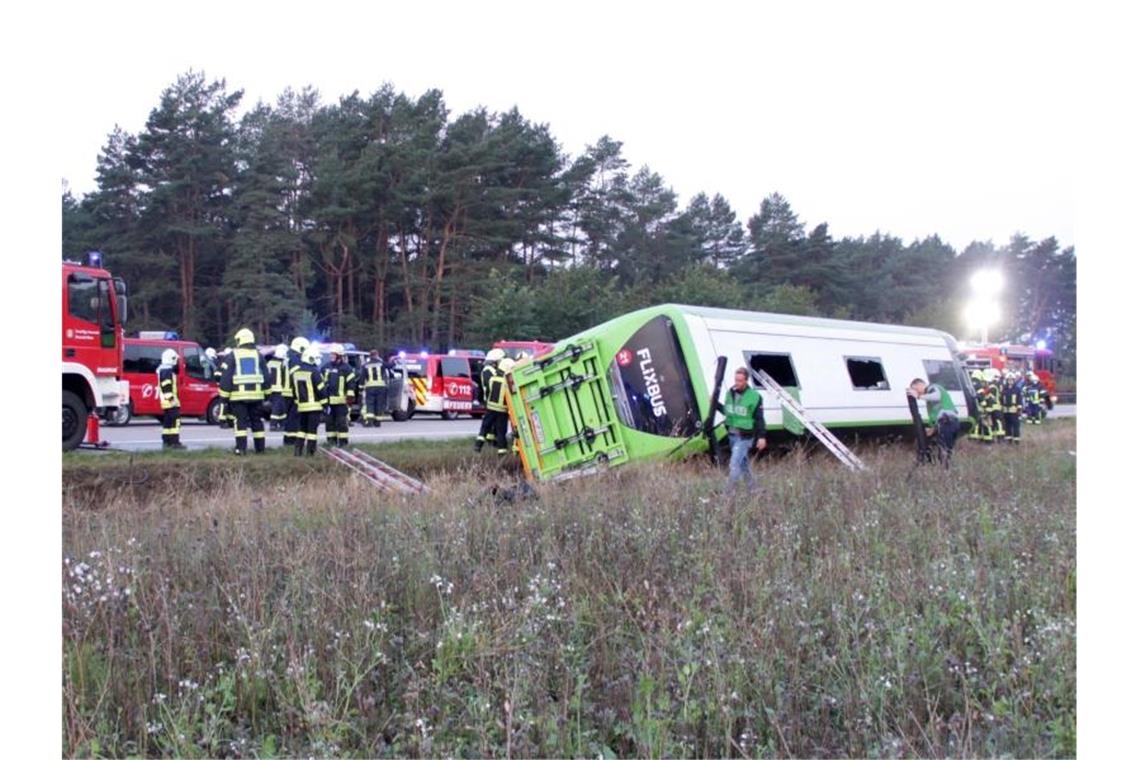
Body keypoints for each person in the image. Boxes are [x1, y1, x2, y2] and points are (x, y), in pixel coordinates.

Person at [219, 328, 270, 455]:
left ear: (239, 341)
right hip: (257, 396)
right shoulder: (259, 356)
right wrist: (267, 394)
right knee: (257, 422)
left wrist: (224, 397)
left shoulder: (233, 356)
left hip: (238, 397)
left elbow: (226, 377)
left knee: (240, 423)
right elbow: (266, 376)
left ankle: (241, 449)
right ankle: (260, 449)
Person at [716, 367, 767, 491]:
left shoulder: (754, 397)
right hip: (732, 435)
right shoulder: (730, 393)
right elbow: (727, 412)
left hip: (745, 436)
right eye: (736, 380)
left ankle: (727, 493)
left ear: (746, 381)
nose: (737, 383)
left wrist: (761, 437)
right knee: (743, 463)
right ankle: (753, 488)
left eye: (740, 380)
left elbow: (759, 419)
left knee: (734, 464)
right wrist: (715, 404)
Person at [908, 377, 961, 461]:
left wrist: (918, 396)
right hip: (947, 422)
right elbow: (937, 415)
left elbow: (937, 396)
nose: (917, 392)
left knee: (944, 450)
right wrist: (933, 428)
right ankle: (944, 469)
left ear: (919, 384)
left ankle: (945, 470)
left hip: (947, 421)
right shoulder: (929, 401)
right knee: (944, 449)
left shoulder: (932, 388)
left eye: (915, 389)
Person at [291, 346, 327, 456]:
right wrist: (325, 404)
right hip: (314, 406)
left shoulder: (296, 372)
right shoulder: (315, 372)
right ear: (310, 358)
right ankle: (310, 453)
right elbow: (321, 390)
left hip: (302, 407)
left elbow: (293, 390)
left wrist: (298, 403)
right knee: (312, 432)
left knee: (301, 430)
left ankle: (298, 451)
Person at [322, 343, 357, 447]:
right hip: (328, 402)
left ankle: (343, 443)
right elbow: (321, 384)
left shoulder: (347, 369)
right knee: (329, 424)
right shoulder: (325, 367)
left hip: (341, 403)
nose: (331, 356)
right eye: (331, 354)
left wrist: (350, 398)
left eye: (334, 354)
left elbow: (351, 384)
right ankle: (331, 442)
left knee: (341, 423)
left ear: (339, 355)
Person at [474, 348, 506, 451]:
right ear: (495, 361)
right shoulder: (489, 371)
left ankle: (490, 441)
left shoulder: (489, 370)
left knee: (491, 425)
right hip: (492, 402)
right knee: (492, 425)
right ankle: (485, 444)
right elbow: (493, 386)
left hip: (492, 402)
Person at [157, 348, 186, 449]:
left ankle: (167, 441)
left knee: (168, 422)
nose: (177, 362)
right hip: (170, 402)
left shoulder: (164, 370)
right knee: (175, 422)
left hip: (166, 401)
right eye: (176, 360)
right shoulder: (167, 371)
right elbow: (166, 387)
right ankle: (174, 442)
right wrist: (172, 400)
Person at [283, 337, 309, 448]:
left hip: (286, 391)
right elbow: (298, 375)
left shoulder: (288, 357)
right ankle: (291, 441)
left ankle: (288, 439)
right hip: (292, 392)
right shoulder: (295, 359)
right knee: (294, 418)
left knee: (290, 417)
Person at [361, 350, 388, 427]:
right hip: (381, 387)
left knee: (370, 404)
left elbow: (362, 378)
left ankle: (369, 421)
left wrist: (360, 388)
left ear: (370, 356)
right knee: (379, 404)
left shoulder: (365, 365)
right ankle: (378, 422)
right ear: (377, 355)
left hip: (370, 387)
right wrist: (394, 360)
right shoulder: (381, 363)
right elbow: (390, 366)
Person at [266, 344, 288, 431]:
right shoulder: (282, 363)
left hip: (271, 388)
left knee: (281, 407)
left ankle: (282, 424)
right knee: (277, 407)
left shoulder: (270, 363)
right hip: (279, 388)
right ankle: (273, 424)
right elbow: (284, 376)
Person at [1001, 370, 1023, 444]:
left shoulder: (1017, 389)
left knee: (1015, 426)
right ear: (1006, 380)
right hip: (1006, 411)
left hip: (1014, 411)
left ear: (1014, 380)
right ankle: (1008, 440)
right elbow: (1001, 400)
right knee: (1007, 426)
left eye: (1011, 380)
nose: (1010, 381)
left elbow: (1019, 400)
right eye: (1008, 380)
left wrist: (1019, 409)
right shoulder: (1004, 389)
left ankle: (1016, 440)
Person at [214, 347, 233, 429]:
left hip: (224, 385)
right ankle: (223, 421)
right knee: (224, 403)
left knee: (226, 403)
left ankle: (229, 420)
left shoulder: (222, 362)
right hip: (226, 385)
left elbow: (217, 375)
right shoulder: (228, 362)